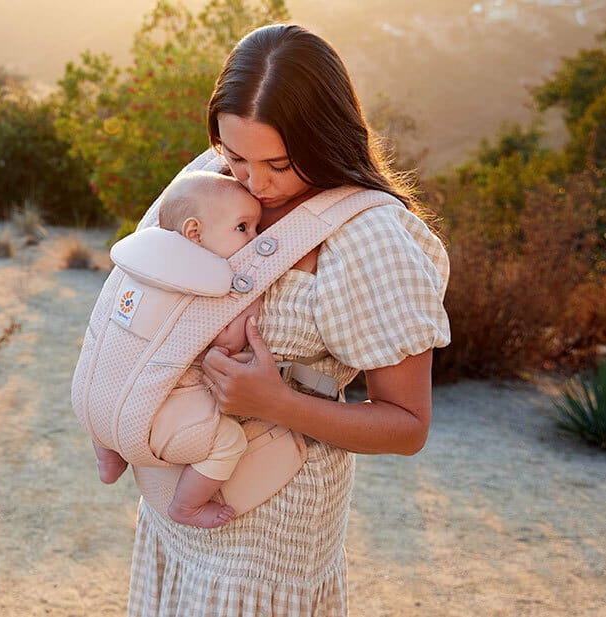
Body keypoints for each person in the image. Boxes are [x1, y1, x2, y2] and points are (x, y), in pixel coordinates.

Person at [126, 24, 451, 616]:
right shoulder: (211, 178)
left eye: (278, 162)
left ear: (327, 137)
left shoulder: (369, 239)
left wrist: (277, 403)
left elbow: (408, 426)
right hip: (175, 503)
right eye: (236, 155)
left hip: (270, 538)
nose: (255, 183)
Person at [92, 170, 264, 529]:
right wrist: (251, 305)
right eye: (243, 227)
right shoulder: (208, 283)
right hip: (152, 417)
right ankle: (186, 505)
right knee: (229, 441)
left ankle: (108, 458)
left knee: (104, 391)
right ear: (194, 233)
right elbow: (229, 342)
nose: (256, 237)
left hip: (91, 400)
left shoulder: (139, 263)